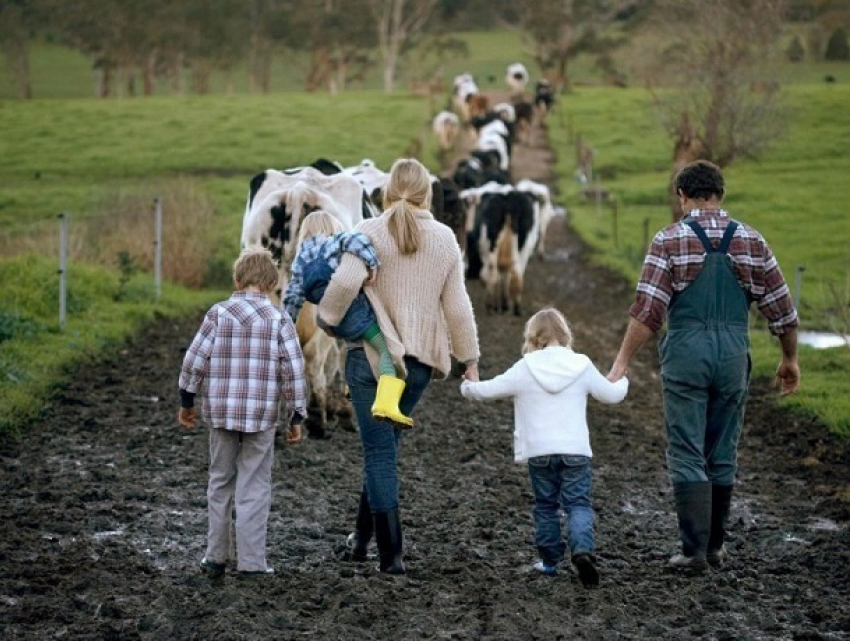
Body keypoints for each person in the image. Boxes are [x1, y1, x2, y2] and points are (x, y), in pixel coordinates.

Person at [607, 160, 801, 570]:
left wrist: (622, 361)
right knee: (722, 449)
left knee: (686, 447)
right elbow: (782, 309)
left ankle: (693, 550)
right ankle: (715, 547)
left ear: (682, 196)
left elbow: (647, 312)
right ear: (720, 196)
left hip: (687, 353)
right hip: (733, 353)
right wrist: (789, 358)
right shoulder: (751, 240)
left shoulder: (669, 240)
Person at [318, 157, 480, 575]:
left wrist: (327, 320)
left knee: (378, 453)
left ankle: (391, 557)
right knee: (384, 449)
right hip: (419, 367)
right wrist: (470, 360)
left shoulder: (368, 232)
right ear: (428, 193)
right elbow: (458, 307)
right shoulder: (444, 239)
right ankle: (360, 542)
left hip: (371, 362)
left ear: (387, 192)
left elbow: (342, 284)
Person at [460, 307, 628, 588]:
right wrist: (622, 379)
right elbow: (611, 395)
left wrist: (468, 386)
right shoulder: (582, 364)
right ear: (565, 335)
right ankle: (582, 552)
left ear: (534, 337)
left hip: (539, 452)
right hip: (575, 451)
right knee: (578, 504)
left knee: (546, 506)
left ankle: (550, 562)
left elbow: (486, 390)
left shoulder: (526, 366)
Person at [177, 246, 308, 578]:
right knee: (255, 485)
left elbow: (194, 359)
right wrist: (296, 415)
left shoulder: (217, 314)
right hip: (261, 419)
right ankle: (251, 563)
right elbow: (293, 370)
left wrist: (186, 399)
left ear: (237, 279)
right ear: (271, 284)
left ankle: (215, 557)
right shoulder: (280, 319)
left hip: (220, 415)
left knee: (220, 481)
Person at [283, 210, 412, 427]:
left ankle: (351, 387)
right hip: (354, 312)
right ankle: (387, 404)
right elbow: (358, 241)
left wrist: (286, 323)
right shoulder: (334, 242)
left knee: (353, 345)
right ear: (331, 227)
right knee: (385, 349)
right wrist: (372, 266)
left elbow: (293, 295)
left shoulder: (300, 259)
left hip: (331, 320)